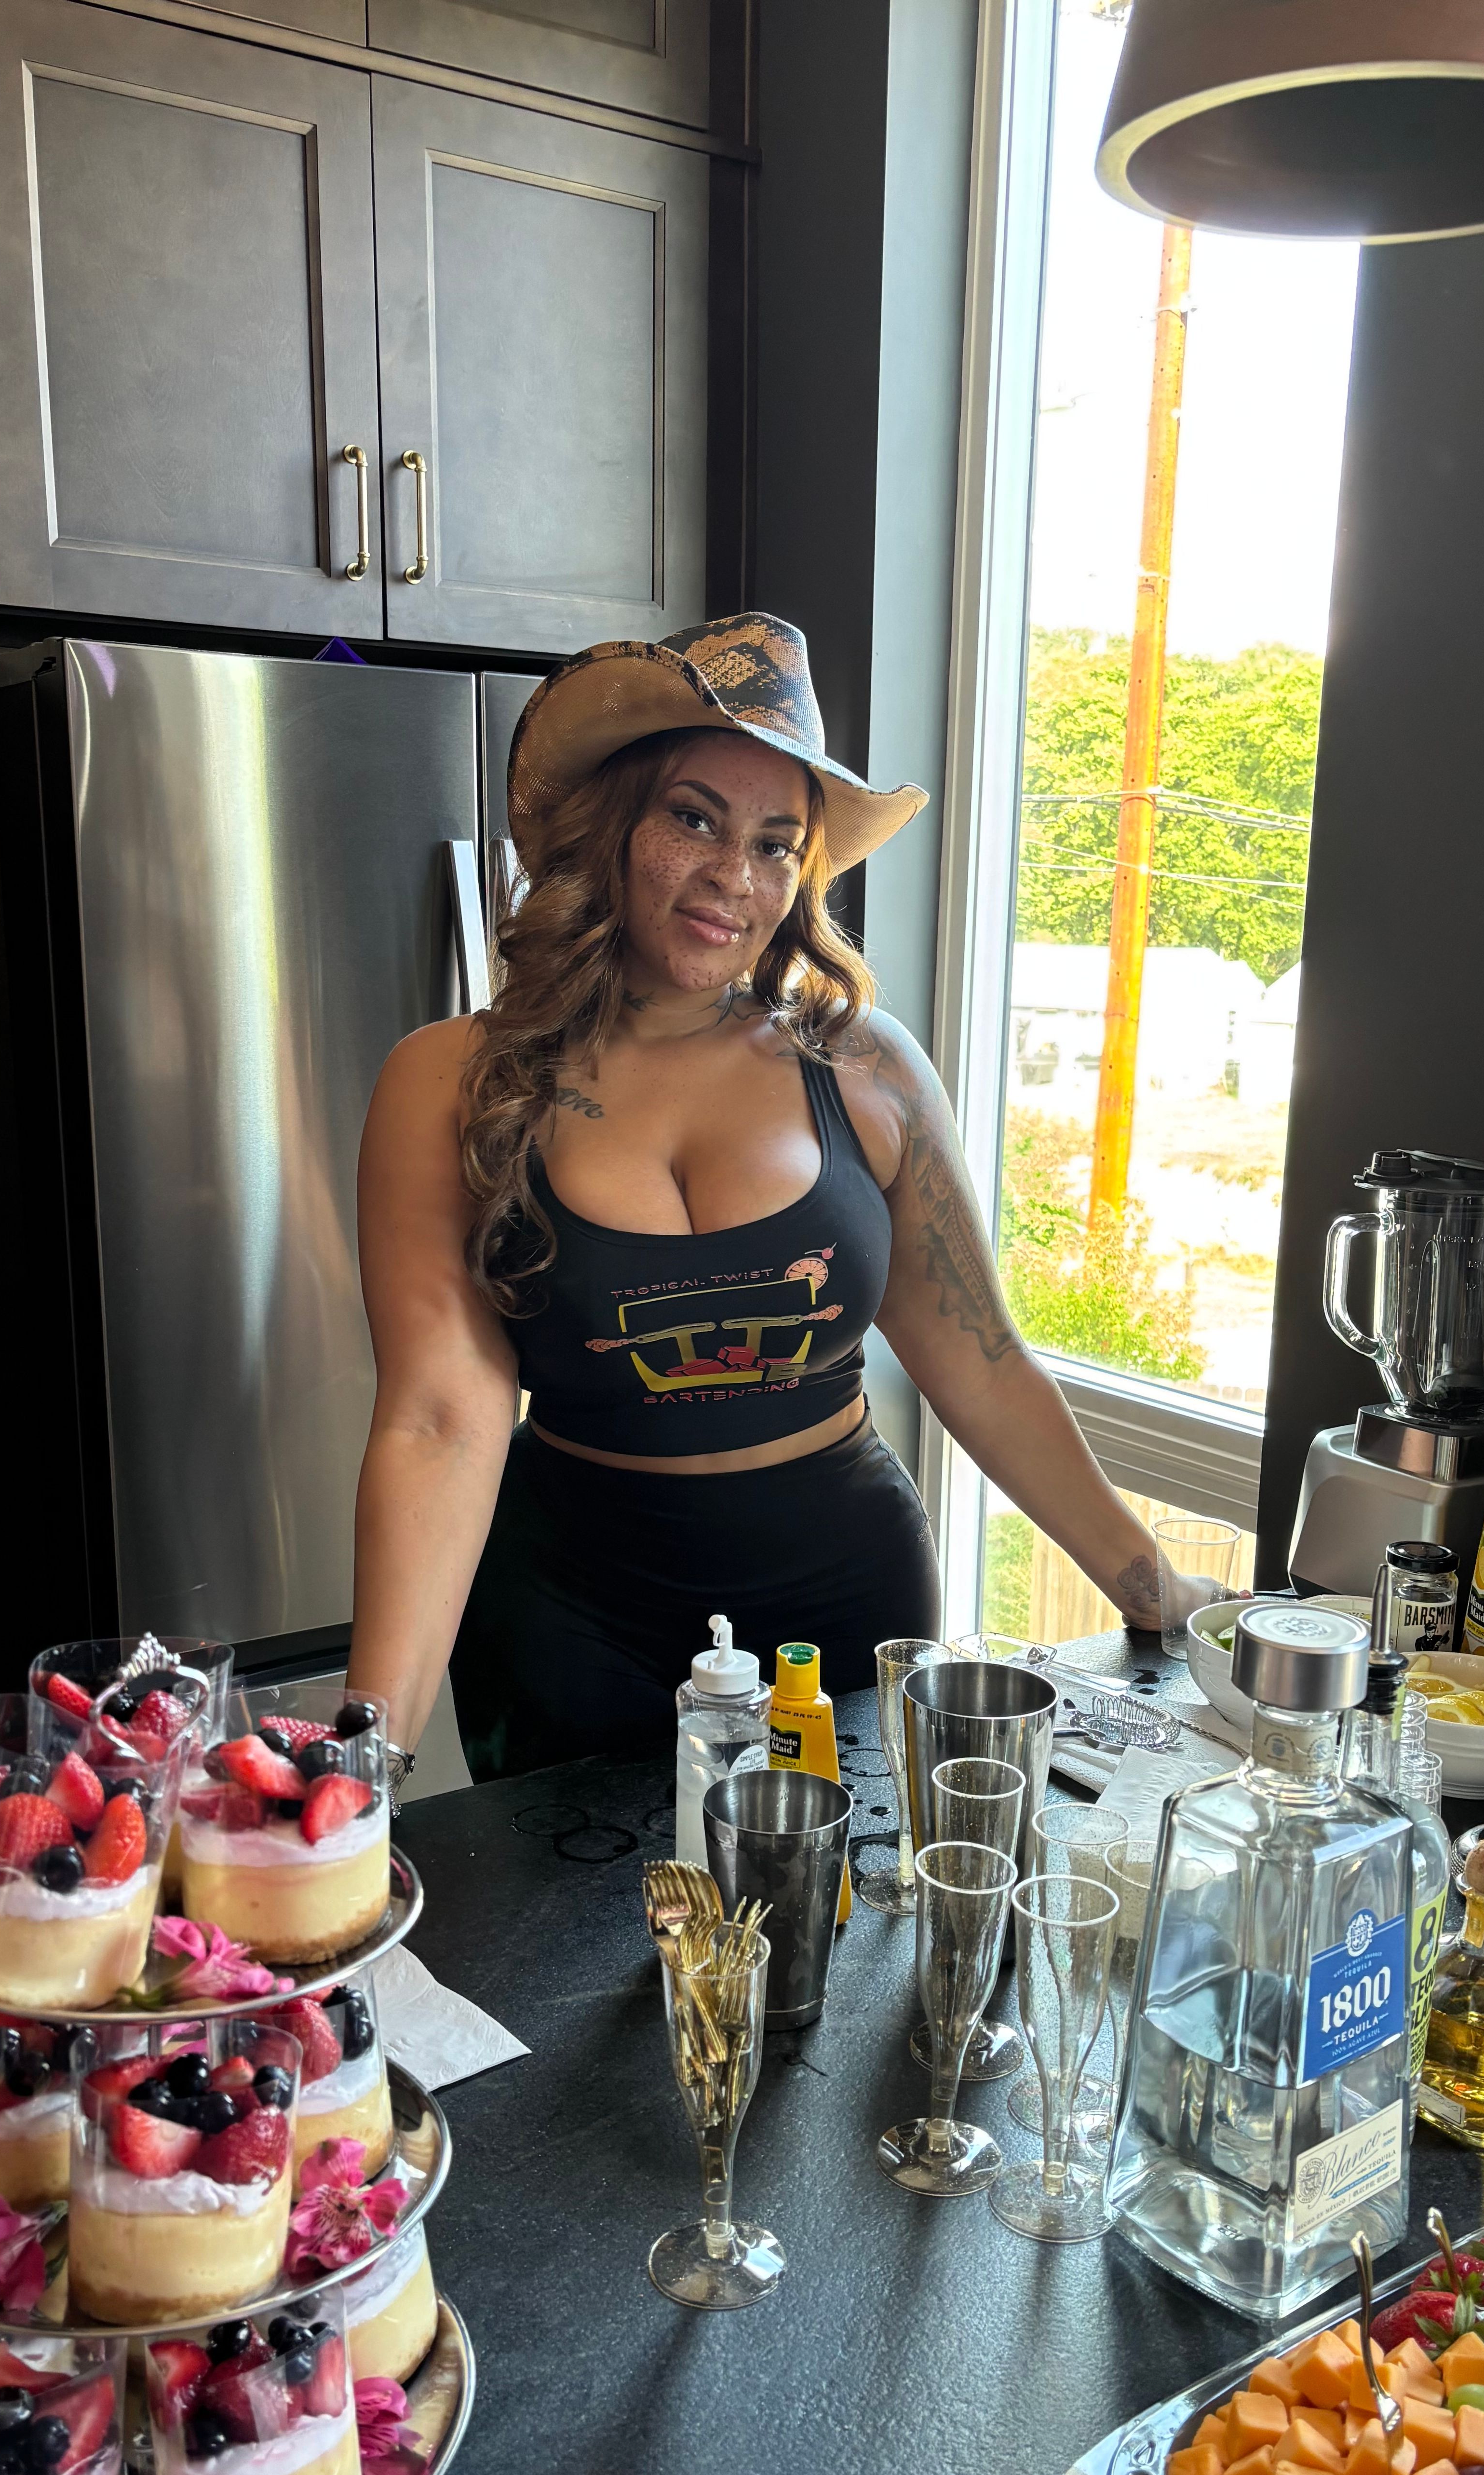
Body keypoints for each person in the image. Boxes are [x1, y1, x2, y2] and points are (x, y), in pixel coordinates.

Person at [347, 613, 1170, 1787]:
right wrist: (359, 1761)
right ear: (612, 824)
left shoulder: (866, 1067)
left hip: (841, 1604)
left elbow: (984, 1363)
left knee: (842, 1947)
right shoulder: (453, 1080)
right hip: (569, 1616)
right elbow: (440, 1419)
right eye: (694, 819)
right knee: (570, 1963)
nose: (737, 877)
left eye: (780, 844)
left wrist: (1152, 1590)